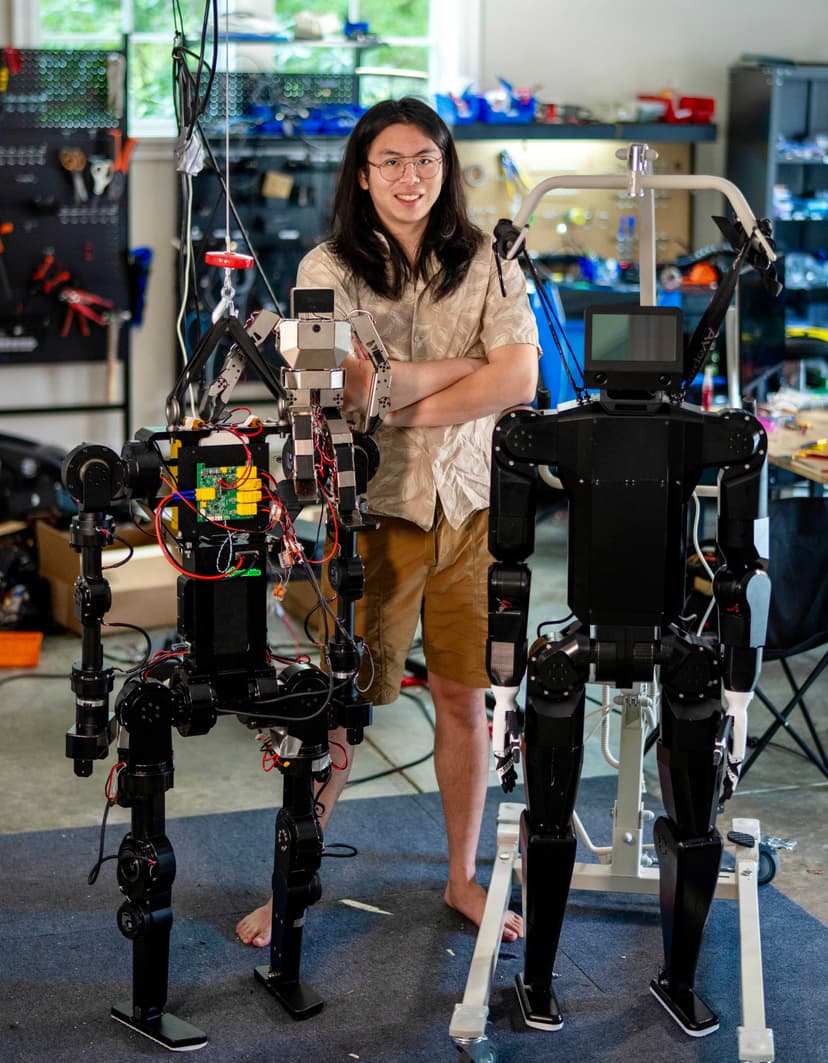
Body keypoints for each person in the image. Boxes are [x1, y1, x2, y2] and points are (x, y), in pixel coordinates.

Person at [236, 97, 539, 947]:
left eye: (426, 162)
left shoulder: (489, 260)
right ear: (362, 175)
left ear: (447, 171)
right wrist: (453, 374)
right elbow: (341, 392)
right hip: (368, 514)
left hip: (467, 508)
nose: (411, 178)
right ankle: (289, 884)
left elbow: (517, 379)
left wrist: (399, 393)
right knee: (339, 707)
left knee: (461, 695)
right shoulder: (326, 268)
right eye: (392, 163)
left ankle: (461, 879)